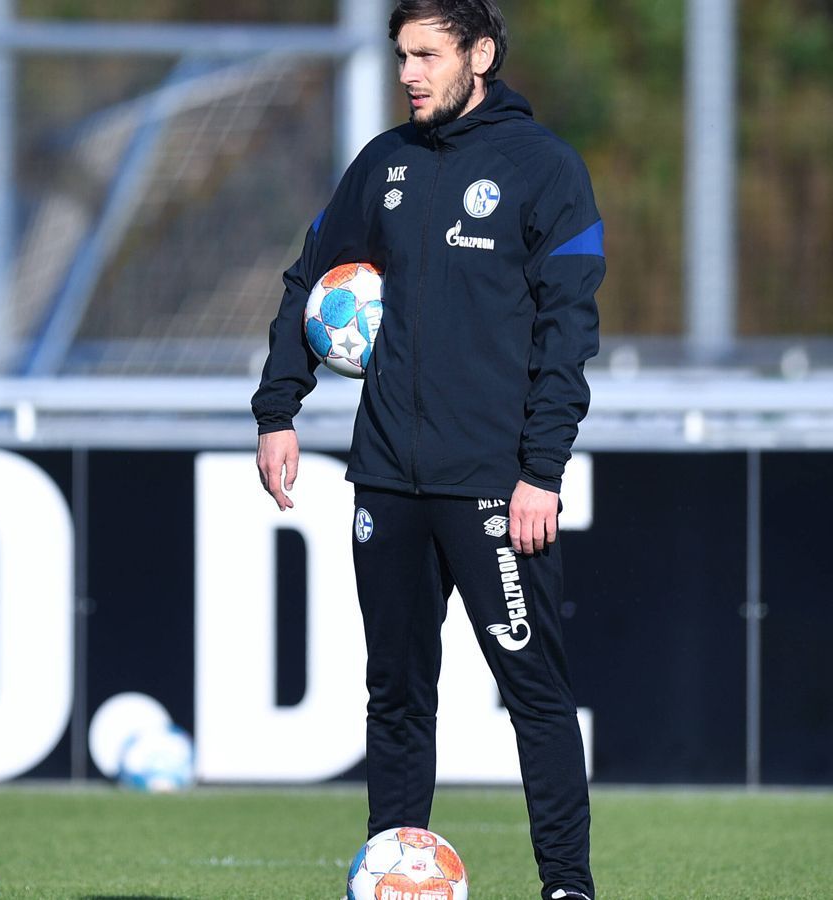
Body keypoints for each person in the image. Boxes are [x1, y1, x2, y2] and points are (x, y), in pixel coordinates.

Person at [251, 2, 602, 898]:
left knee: (536, 694)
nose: (409, 72)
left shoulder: (545, 169)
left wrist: (540, 473)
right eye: (402, 54)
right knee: (398, 697)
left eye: (428, 55)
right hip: (387, 483)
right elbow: (311, 280)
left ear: (479, 55)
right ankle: (393, 875)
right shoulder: (384, 163)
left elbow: (568, 336)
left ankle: (567, 885)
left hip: (494, 487)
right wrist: (279, 406)